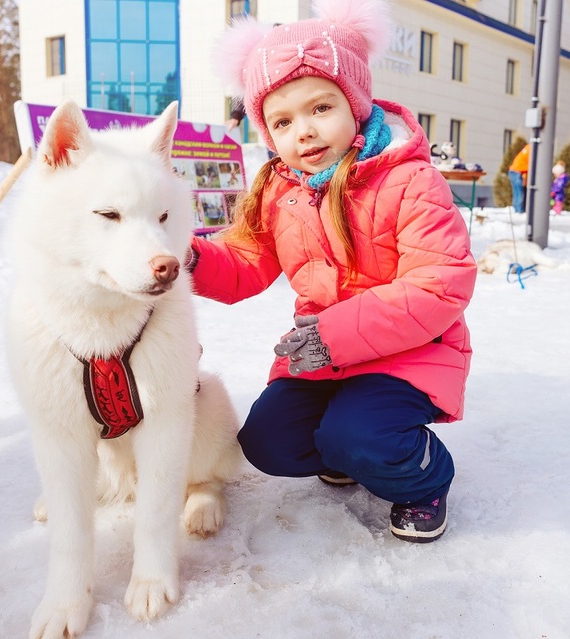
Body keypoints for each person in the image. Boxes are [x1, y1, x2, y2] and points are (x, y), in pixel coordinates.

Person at [186, 0, 476, 543]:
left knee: (359, 434)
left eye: (321, 107)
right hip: (325, 358)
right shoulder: (281, 189)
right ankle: (349, 450)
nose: (304, 132)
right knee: (267, 443)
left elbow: (440, 284)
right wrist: (189, 258)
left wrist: (334, 336)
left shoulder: (409, 180)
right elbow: (245, 261)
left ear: (355, 102)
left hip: (410, 352)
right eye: (282, 121)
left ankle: (424, 479)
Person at [508, 143, 530, 213]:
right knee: (519, 192)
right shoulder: (531, 150)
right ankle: (519, 210)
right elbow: (530, 165)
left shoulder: (527, 149)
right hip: (517, 172)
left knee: (517, 192)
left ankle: (517, 209)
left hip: (513, 171)